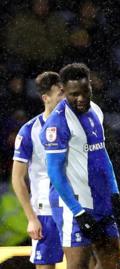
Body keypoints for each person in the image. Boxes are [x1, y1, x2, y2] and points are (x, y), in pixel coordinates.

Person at [40, 63, 120, 269]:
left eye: (85, 92)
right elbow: (54, 172)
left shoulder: (95, 110)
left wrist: (114, 193)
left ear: (91, 87)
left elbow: (102, 155)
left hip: (101, 199)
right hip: (74, 204)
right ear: (63, 91)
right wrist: (77, 211)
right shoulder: (56, 124)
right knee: (78, 265)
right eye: (73, 94)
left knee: (112, 262)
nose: (81, 99)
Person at [12, 71, 64, 268]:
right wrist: (31, 218)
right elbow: (17, 178)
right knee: (45, 266)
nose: (65, 98)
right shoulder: (29, 131)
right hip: (46, 210)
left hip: (75, 208)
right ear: (46, 98)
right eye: (60, 94)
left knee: (85, 262)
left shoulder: (78, 128)